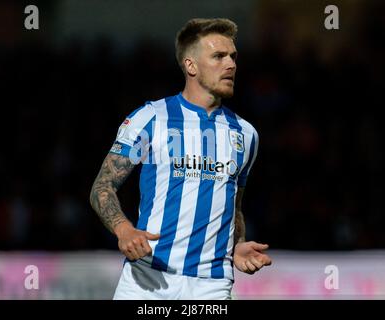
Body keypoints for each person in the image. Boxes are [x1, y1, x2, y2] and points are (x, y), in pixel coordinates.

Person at [90, 18, 272, 300]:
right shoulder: (152, 118)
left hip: (211, 286)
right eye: (219, 56)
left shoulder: (246, 134)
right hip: (147, 279)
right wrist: (124, 230)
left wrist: (237, 245)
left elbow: (233, 206)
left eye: (233, 56)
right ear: (191, 66)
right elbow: (102, 187)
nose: (231, 64)